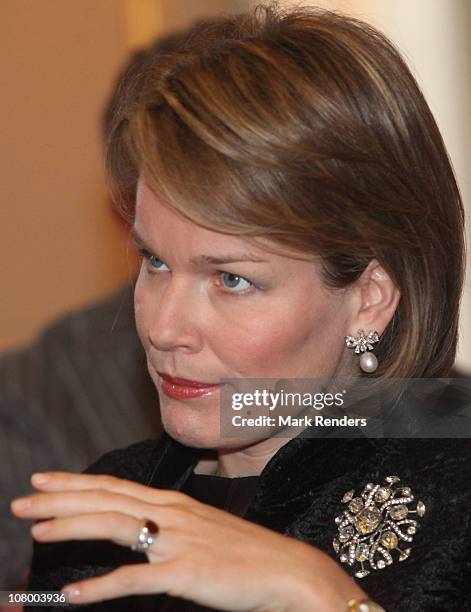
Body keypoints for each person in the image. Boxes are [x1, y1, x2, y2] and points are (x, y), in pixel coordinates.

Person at [10, 4, 471, 611]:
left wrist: (325, 599)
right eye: (155, 261)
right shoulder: (105, 508)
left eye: (231, 279)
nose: (163, 326)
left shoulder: (455, 500)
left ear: (369, 299)